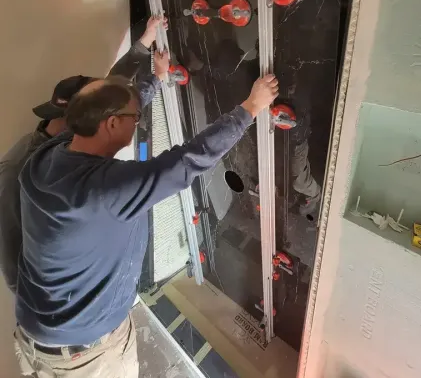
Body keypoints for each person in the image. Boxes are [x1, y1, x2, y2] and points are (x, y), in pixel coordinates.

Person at [14, 71, 278, 377]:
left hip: (34, 339)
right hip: (86, 360)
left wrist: (157, 78)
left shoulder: (47, 154)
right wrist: (250, 108)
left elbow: (110, 105)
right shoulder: (106, 190)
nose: (137, 121)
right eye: (135, 117)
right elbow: (189, 160)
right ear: (112, 123)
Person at [0, 16, 166, 293]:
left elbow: (119, 86)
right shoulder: (16, 174)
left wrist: (148, 45)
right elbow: (13, 263)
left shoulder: (72, 134)